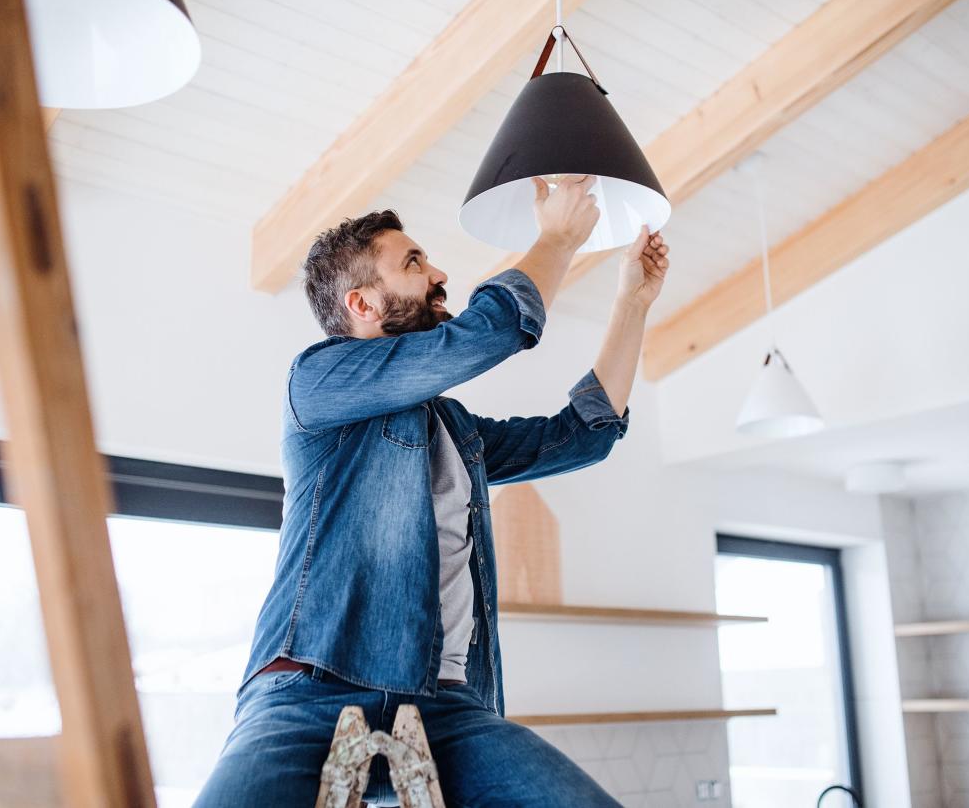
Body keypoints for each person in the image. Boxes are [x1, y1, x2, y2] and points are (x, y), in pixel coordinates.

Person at [195, 175, 670, 806]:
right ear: (361, 305)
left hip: (445, 704)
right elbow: (486, 333)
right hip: (311, 691)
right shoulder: (318, 380)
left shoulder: (454, 429)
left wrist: (632, 304)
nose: (438, 273)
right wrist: (555, 239)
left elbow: (581, 436)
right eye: (414, 263)